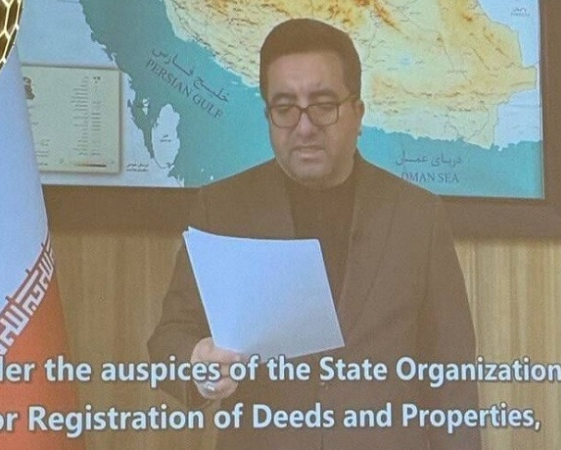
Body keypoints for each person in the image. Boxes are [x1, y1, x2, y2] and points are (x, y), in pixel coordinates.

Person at [148, 18, 480, 450]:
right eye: (285, 107)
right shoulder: (222, 209)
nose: (304, 127)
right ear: (268, 115)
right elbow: (169, 337)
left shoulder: (419, 216)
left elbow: (452, 377)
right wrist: (197, 363)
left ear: (358, 112)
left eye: (323, 104)